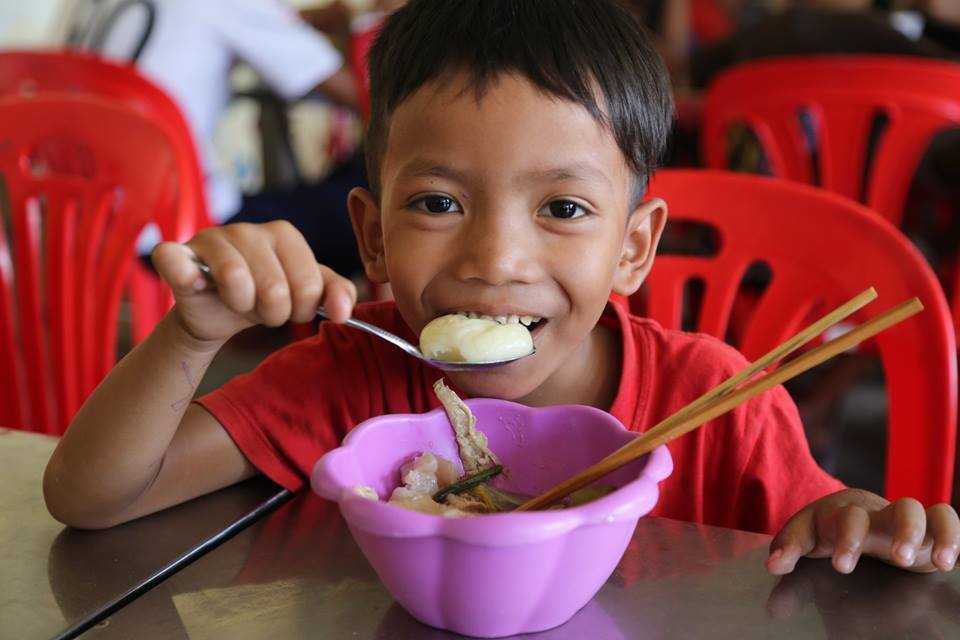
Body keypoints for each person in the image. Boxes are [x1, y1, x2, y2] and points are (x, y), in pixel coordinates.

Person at [44, 0, 959, 577]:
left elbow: (817, 527)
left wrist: (852, 525)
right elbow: (93, 498)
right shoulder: (350, 373)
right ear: (373, 236)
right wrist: (192, 335)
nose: (495, 259)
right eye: (439, 202)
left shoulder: (717, 402)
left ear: (634, 248)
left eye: (562, 207)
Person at [76, 0, 364, 275]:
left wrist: (304, 19)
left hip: (87, 220)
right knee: (364, 214)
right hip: (175, 234)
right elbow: (363, 95)